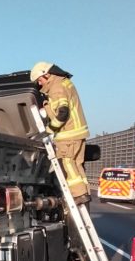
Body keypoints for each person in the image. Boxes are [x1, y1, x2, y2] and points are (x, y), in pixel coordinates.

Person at [30, 61, 91, 205]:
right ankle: (84, 192)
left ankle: (78, 195)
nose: (39, 84)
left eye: (39, 80)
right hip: (78, 133)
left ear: (47, 74)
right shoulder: (65, 83)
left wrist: (49, 130)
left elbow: (62, 113)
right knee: (77, 165)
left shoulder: (56, 87)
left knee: (67, 163)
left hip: (68, 135)